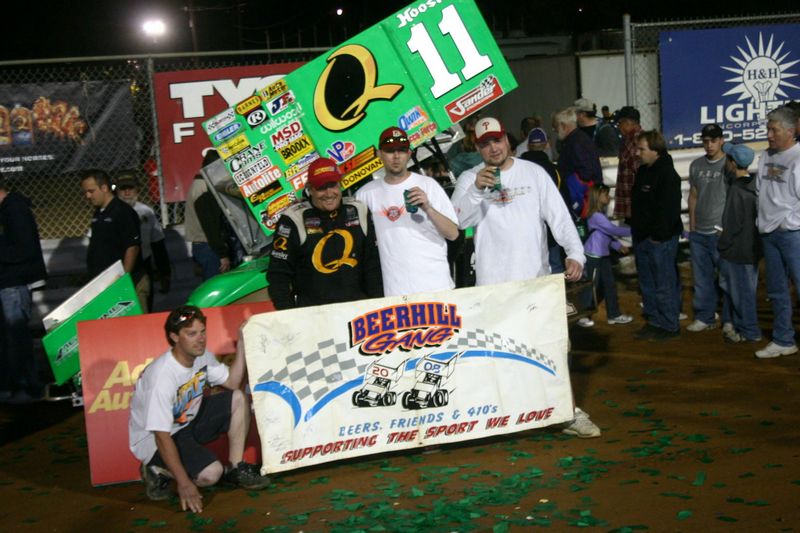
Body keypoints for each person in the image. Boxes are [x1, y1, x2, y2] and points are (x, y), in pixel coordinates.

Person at [451, 117, 599, 438]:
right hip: (492, 288)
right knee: (498, 355)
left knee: (553, 349)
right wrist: (477, 189)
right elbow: (458, 223)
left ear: (507, 139)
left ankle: (567, 412)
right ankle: (505, 418)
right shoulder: (468, 179)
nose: (493, 148)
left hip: (536, 282)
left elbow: (558, 216)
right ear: (477, 147)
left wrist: (575, 253)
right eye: (485, 143)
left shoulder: (533, 173)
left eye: (497, 140)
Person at [129, 305, 270, 512]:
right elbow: (160, 435)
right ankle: (156, 468)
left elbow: (232, 382)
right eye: (192, 333)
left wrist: (241, 344)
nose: (201, 338)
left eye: (202, 331)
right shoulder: (162, 376)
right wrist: (184, 483)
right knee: (210, 475)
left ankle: (235, 468)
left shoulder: (201, 356)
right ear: (175, 337)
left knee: (238, 398)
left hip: (186, 421)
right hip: (156, 440)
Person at [267, 157, 382, 309]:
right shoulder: (293, 218)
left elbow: (372, 265)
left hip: (358, 310)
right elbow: (278, 275)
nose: (329, 193)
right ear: (310, 189)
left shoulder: (358, 209)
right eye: (321, 187)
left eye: (333, 185)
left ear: (340, 184)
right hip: (314, 315)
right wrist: (289, 315)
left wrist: (378, 305)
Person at [356, 126, 458, 296]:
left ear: (409, 154)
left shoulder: (428, 185)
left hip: (436, 285)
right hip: (394, 291)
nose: (396, 156)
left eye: (401, 150)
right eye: (389, 151)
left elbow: (453, 234)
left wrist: (428, 207)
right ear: (379, 154)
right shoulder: (365, 194)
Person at [754, 106, 800, 359]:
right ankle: (784, 340)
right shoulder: (766, 156)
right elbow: (760, 190)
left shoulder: (798, 157)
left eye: (774, 129)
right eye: (768, 129)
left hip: (792, 234)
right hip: (769, 232)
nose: (769, 134)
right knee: (777, 290)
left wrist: (789, 223)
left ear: (790, 131)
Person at [630, 131, 684, 342]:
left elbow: (669, 211)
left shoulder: (668, 176)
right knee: (648, 283)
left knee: (664, 283)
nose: (638, 153)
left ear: (656, 151)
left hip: (659, 240)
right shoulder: (643, 171)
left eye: (642, 149)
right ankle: (654, 321)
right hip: (643, 237)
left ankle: (669, 325)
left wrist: (657, 236)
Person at [0, 173, 47, 404]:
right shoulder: (9, 209)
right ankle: (15, 385)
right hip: (9, 282)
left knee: (17, 337)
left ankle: (29, 387)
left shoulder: (14, 209)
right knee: (11, 337)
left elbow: (24, 248)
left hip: (13, 283)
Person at [686, 124, 730, 333]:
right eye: (706, 141)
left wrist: (726, 227)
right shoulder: (696, 165)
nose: (709, 145)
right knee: (702, 278)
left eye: (713, 140)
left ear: (722, 140)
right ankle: (705, 316)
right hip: (699, 232)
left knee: (726, 277)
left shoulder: (728, 164)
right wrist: (692, 226)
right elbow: (693, 195)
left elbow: (734, 197)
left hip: (719, 231)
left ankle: (730, 318)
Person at [80, 169, 146, 308]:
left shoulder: (122, 212)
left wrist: (124, 279)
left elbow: (132, 246)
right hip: (105, 284)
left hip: (123, 283)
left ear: (104, 188)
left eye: (91, 191)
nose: (87, 196)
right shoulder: (99, 213)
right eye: (85, 192)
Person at [717, 143, 761, 344]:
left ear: (733, 163)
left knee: (740, 292)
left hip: (736, 250)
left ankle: (750, 331)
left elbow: (732, 224)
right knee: (746, 290)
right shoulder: (754, 185)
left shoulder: (736, 189)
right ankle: (742, 326)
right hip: (751, 248)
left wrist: (722, 244)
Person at [577, 184, 634, 328]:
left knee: (609, 284)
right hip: (594, 256)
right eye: (606, 195)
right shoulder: (596, 216)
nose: (608, 197)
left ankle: (613, 314)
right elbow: (612, 229)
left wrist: (617, 246)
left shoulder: (599, 215)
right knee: (591, 285)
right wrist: (636, 231)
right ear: (598, 197)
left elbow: (605, 234)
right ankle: (583, 315)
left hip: (602, 255)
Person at [116, 171, 171, 311]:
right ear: (117, 190)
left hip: (143, 265)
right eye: (123, 188)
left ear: (137, 189)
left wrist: (164, 273)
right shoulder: (110, 212)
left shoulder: (146, 212)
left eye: (131, 188)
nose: (127, 192)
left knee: (145, 307)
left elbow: (157, 243)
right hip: (117, 268)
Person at [520, 127, 571, 274]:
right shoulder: (554, 170)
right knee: (554, 266)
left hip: (524, 228)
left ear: (528, 145)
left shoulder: (516, 168)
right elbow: (563, 201)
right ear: (546, 145)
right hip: (549, 228)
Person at [184, 150, 231, 281]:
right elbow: (210, 225)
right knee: (215, 289)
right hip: (208, 247)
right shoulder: (203, 189)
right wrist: (222, 254)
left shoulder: (200, 185)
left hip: (205, 246)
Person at [552, 107, 603, 219]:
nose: (554, 130)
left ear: (564, 126)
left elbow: (586, 172)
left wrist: (572, 188)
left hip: (584, 200)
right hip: (587, 198)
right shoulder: (578, 139)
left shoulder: (576, 143)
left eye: (555, 127)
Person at [612, 106, 642, 223]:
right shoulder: (627, 140)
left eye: (620, 123)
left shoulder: (638, 140)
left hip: (638, 205)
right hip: (631, 204)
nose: (618, 127)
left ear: (629, 122)